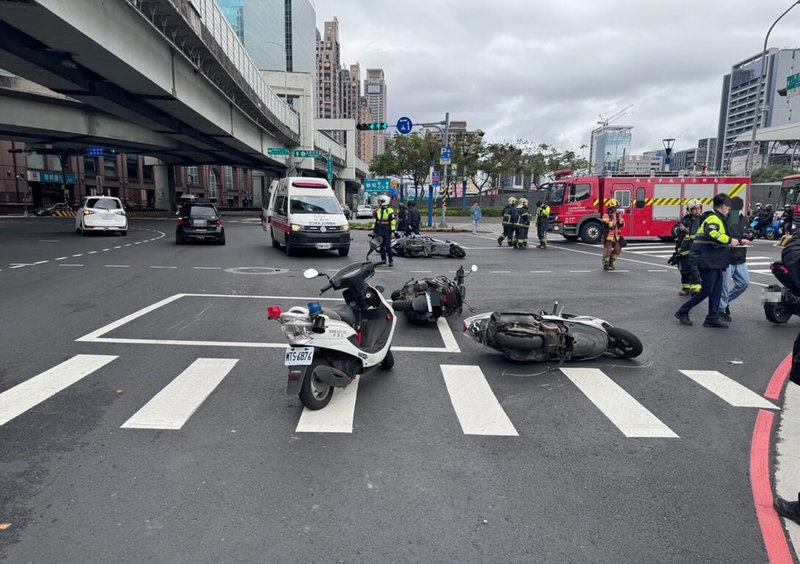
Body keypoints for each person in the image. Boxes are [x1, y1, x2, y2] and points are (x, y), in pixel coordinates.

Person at [674, 193, 739, 328]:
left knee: (716, 290)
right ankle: (682, 311)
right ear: (723, 206)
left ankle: (712, 318)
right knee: (707, 290)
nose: (729, 209)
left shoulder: (719, 218)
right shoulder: (713, 219)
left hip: (714, 260)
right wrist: (729, 240)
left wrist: (737, 240)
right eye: (728, 206)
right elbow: (713, 233)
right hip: (706, 260)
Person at [718, 196, 753, 322]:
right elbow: (730, 236)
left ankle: (724, 303)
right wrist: (740, 240)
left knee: (744, 283)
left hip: (741, 257)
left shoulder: (743, 219)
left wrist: (750, 235)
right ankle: (721, 309)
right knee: (724, 286)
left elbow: (748, 232)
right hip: (728, 257)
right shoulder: (730, 218)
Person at [671, 199, 703, 295]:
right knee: (684, 271)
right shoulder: (684, 220)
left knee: (695, 269)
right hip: (684, 251)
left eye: (699, 208)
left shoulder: (703, 220)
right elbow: (673, 231)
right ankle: (686, 287)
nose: (697, 211)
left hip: (697, 250)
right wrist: (680, 231)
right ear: (690, 210)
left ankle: (696, 287)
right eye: (694, 209)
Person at [371, 195, 397, 266]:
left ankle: (390, 260)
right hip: (380, 231)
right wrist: (373, 231)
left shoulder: (390, 210)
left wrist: (392, 232)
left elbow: (392, 222)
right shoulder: (378, 210)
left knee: (388, 246)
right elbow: (376, 221)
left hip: (387, 231)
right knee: (381, 247)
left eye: (381, 201)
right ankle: (383, 260)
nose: (380, 203)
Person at [601, 198, 625, 270]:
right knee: (607, 251)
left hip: (616, 236)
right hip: (608, 236)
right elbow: (607, 224)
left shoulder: (618, 215)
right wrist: (616, 222)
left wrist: (622, 223)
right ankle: (606, 264)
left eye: (616, 207)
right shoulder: (606, 215)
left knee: (617, 250)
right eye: (615, 207)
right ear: (611, 207)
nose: (616, 209)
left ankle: (611, 262)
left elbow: (622, 223)